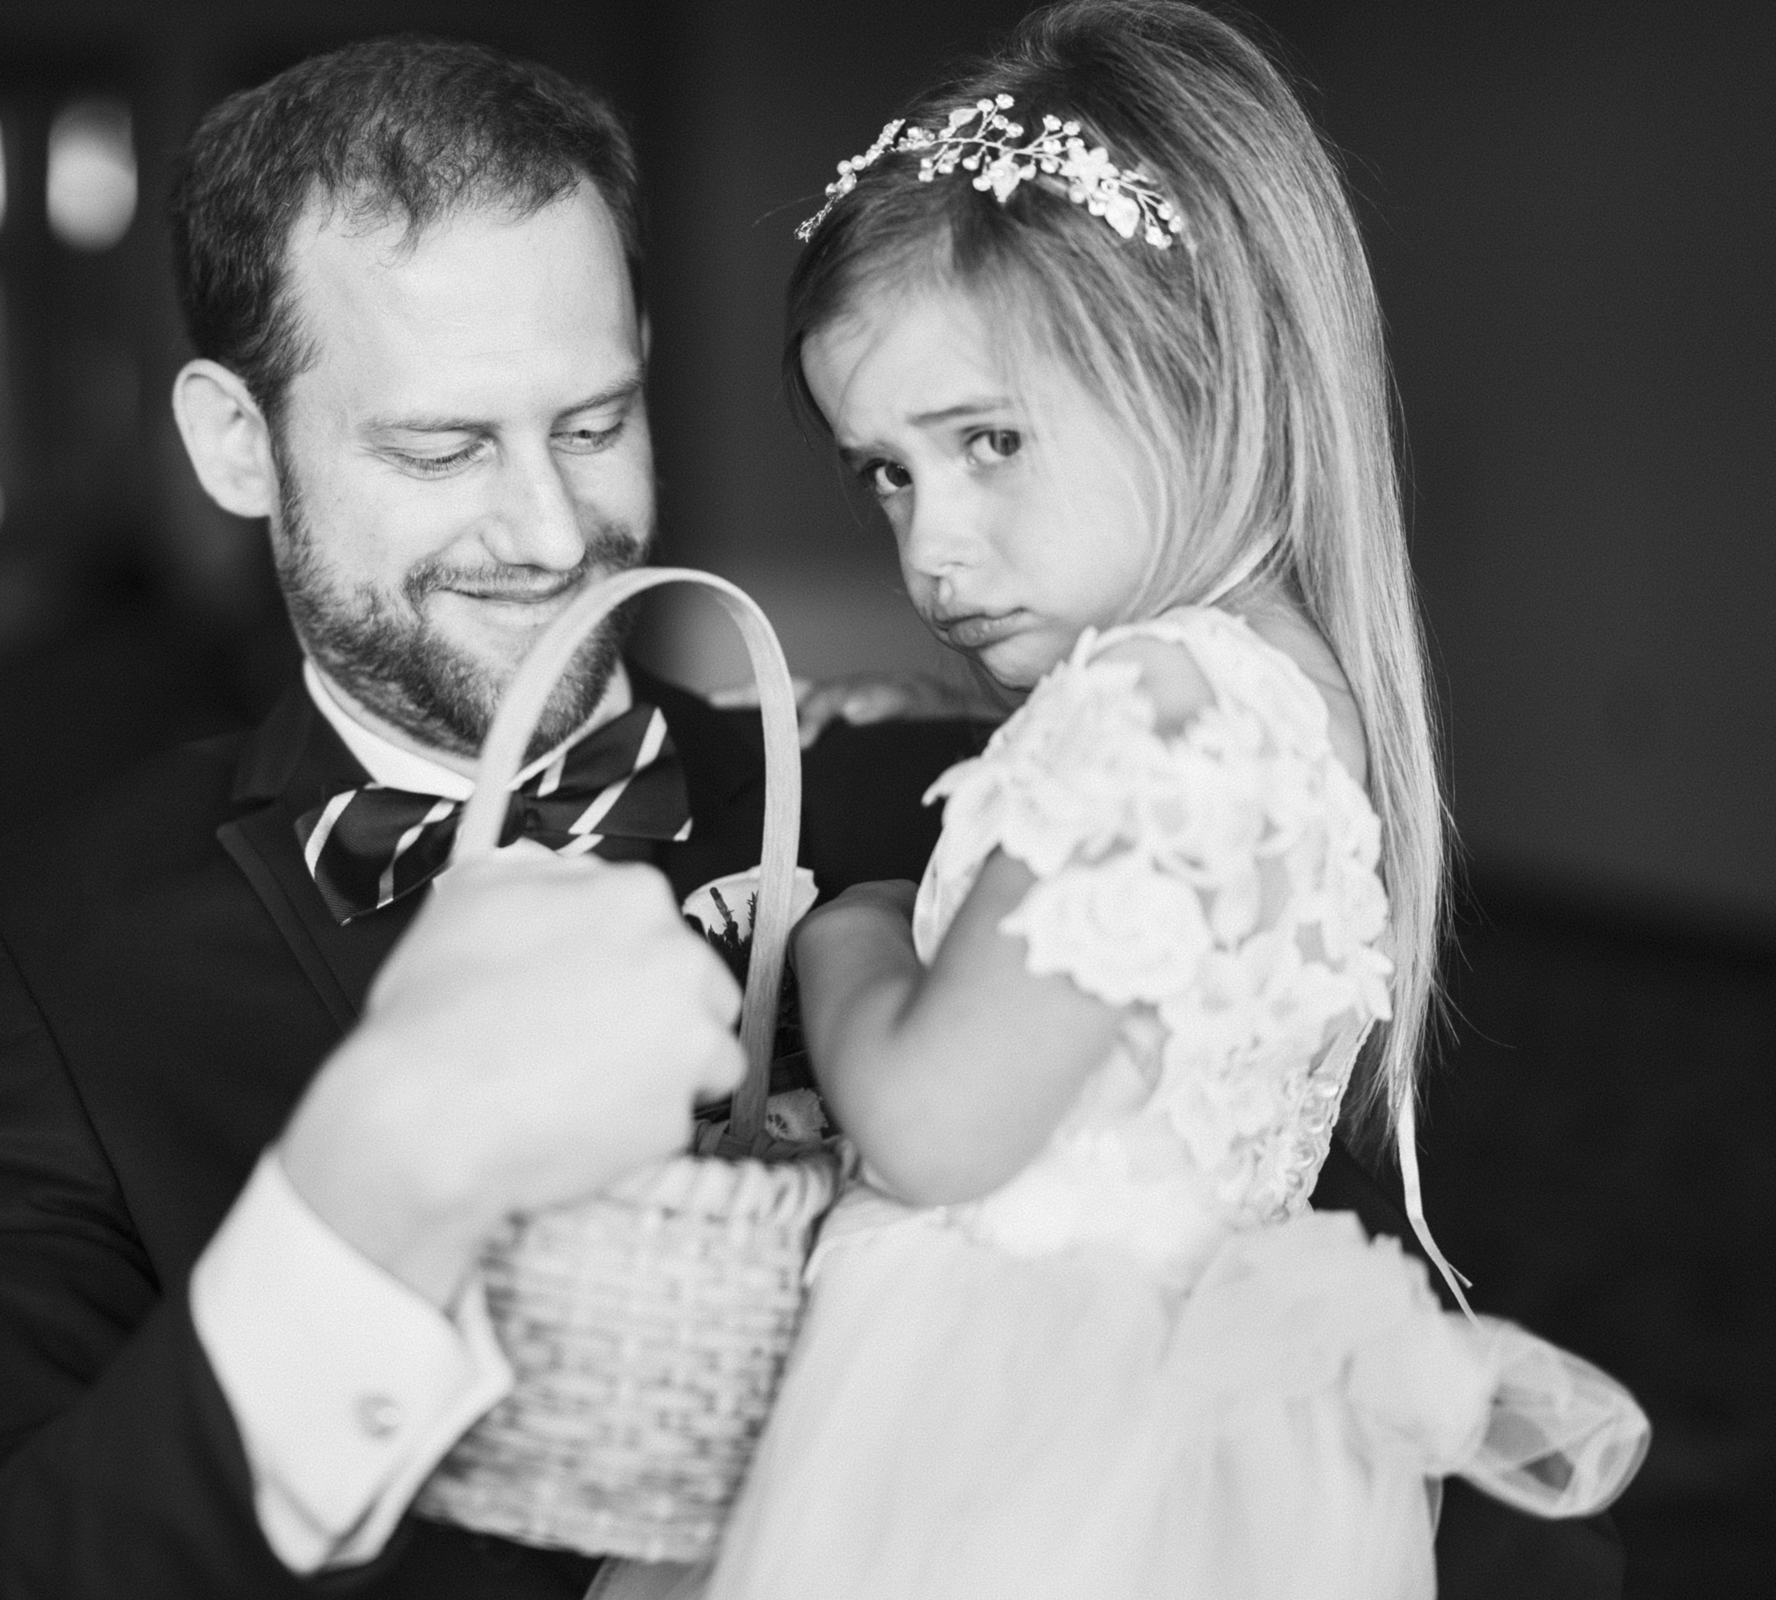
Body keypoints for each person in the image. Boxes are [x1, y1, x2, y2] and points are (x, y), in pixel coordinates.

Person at [0, 28, 1630, 1600]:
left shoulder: (935, 791)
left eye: (596, 421)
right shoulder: (33, 961)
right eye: (442, 450)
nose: (550, 535)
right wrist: (364, 1188)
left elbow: (1264, 1321)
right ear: (237, 445)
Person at [594, 5, 1651, 1598]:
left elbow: (942, 1123)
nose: (931, 544)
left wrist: (851, 933)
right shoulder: (1275, 687)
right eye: (886, 471)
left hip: (1007, 1454)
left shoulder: (1157, 705)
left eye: (989, 442)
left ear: (1202, 379)